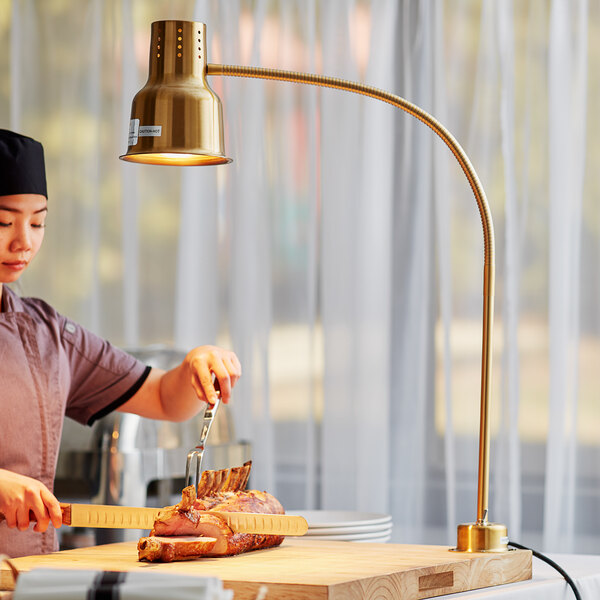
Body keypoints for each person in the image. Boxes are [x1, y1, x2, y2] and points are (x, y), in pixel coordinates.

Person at [0, 129, 242, 558]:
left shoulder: (45, 331)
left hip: (30, 579)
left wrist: (192, 369)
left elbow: (162, 399)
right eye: (4, 221)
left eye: (37, 222)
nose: (25, 241)